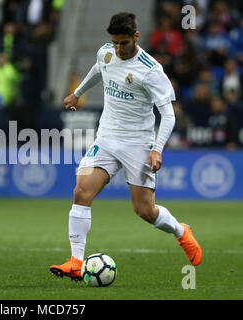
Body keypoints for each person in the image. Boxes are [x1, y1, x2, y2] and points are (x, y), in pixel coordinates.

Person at [49, 12, 202, 281]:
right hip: (106, 138)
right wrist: (77, 93)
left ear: (136, 37)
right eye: (115, 42)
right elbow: (99, 69)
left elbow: (168, 115)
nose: (118, 49)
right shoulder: (106, 53)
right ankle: (75, 261)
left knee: (144, 210)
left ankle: (181, 231)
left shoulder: (151, 70)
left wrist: (157, 149)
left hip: (138, 143)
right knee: (81, 191)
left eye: (123, 43)